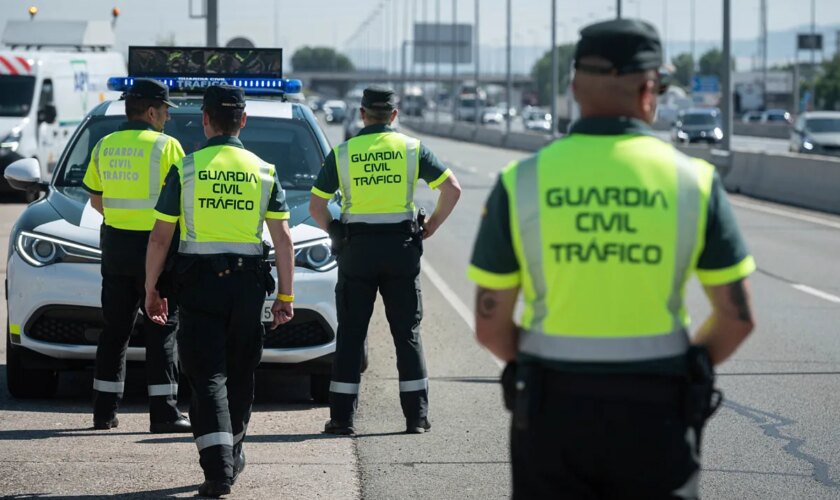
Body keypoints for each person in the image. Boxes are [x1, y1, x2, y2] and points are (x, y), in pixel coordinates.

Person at [467, 19, 757, 499]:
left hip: (550, 414)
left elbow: (490, 327)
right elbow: (737, 318)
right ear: (649, 89)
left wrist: (541, 365)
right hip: (658, 414)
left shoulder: (521, 183)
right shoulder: (694, 182)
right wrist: (691, 368)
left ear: (574, 86)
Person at [144, 85, 295, 498]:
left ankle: (219, 470)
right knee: (241, 372)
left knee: (207, 376)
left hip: (199, 288)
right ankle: (233, 451)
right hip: (247, 287)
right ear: (243, 121)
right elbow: (283, 240)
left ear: (206, 120)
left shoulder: (188, 169)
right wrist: (286, 297)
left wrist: (151, 289)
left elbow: (160, 237)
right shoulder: (264, 170)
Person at [309, 86, 461, 435]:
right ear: (394, 115)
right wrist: (430, 227)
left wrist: (336, 232)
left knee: (350, 335)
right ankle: (416, 417)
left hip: (356, 252)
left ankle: (342, 419)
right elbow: (452, 188)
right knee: (406, 333)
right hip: (401, 249)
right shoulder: (411, 148)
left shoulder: (343, 153)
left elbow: (317, 207)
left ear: (362, 114)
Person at [82, 78, 190, 433]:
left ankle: (104, 412)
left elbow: (96, 200)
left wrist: (121, 220)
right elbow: (180, 203)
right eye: (165, 112)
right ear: (150, 111)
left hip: (115, 245)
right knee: (162, 329)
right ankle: (164, 414)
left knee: (114, 331)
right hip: (155, 249)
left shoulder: (104, 145)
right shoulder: (167, 147)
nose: (168, 119)